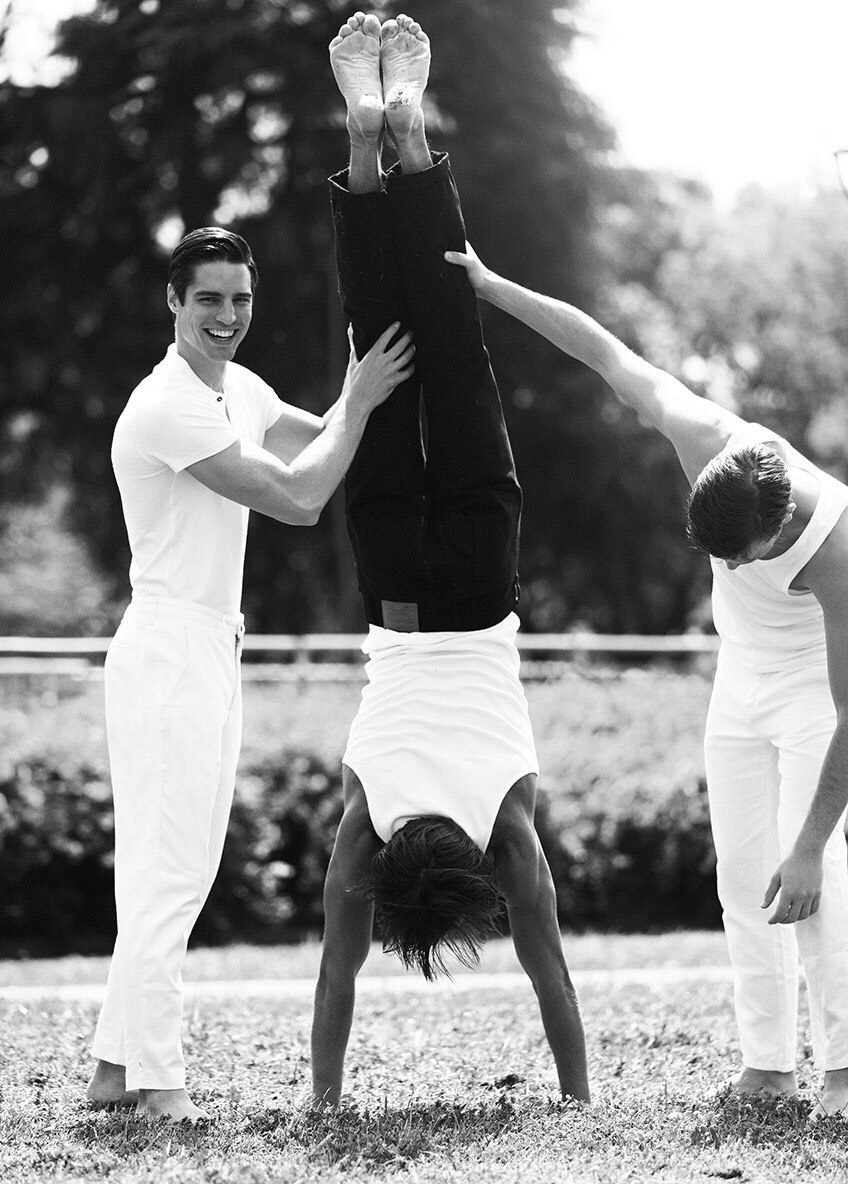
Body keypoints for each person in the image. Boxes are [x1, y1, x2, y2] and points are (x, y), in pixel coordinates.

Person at [445, 233, 848, 1118]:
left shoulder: (835, 548)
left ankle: (843, 1072)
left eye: (740, 556)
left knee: (813, 877)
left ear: (781, 524)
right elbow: (604, 351)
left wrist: (812, 843)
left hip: (818, 695)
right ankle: (768, 1067)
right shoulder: (706, 437)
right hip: (740, 681)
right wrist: (490, 282)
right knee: (742, 876)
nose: (728, 569)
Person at [309, 13, 590, 1110]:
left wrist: (579, 1099)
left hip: (476, 578)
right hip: (396, 586)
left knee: (455, 355)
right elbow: (336, 974)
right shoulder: (362, 831)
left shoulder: (506, 832)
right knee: (375, 344)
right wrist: (323, 1099)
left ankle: (412, 146)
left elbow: (550, 972)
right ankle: (366, 151)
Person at [85, 198, 414, 1121]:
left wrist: (367, 391)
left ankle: (113, 1069)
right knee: (167, 874)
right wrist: (360, 397)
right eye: (209, 300)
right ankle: (159, 1085)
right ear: (173, 302)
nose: (227, 316)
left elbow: (327, 441)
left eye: (240, 298)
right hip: (166, 651)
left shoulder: (242, 389)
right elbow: (302, 498)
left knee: (179, 870)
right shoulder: (167, 406)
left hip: (212, 648)